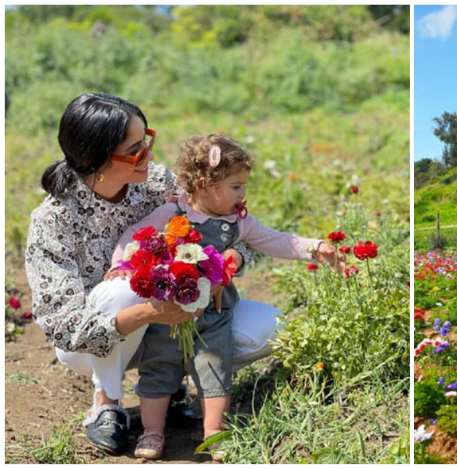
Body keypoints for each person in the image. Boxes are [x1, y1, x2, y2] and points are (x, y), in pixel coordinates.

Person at [24, 93, 286, 456]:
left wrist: (230, 259)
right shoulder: (54, 221)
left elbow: (224, 226)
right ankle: (107, 403)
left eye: (146, 141)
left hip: (169, 322)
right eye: (134, 150)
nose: (147, 156)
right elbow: (63, 326)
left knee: (270, 326)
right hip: (95, 342)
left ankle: (171, 383)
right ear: (92, 158)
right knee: (124, 289)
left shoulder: (156, 182)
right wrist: (152, 312)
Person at [108, 134, 342, 460]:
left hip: (214, 314)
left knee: (214, 366)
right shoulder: (172, 214)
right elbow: (133, 237)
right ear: (205, 184)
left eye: (243, 185)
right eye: (236, 186)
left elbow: (275, 240)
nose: (243, 193)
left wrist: (314, 247)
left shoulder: (237, 223)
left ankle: (214, 432)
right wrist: (120, 266)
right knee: (158, 366)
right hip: (167, 311)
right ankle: (153, 432)